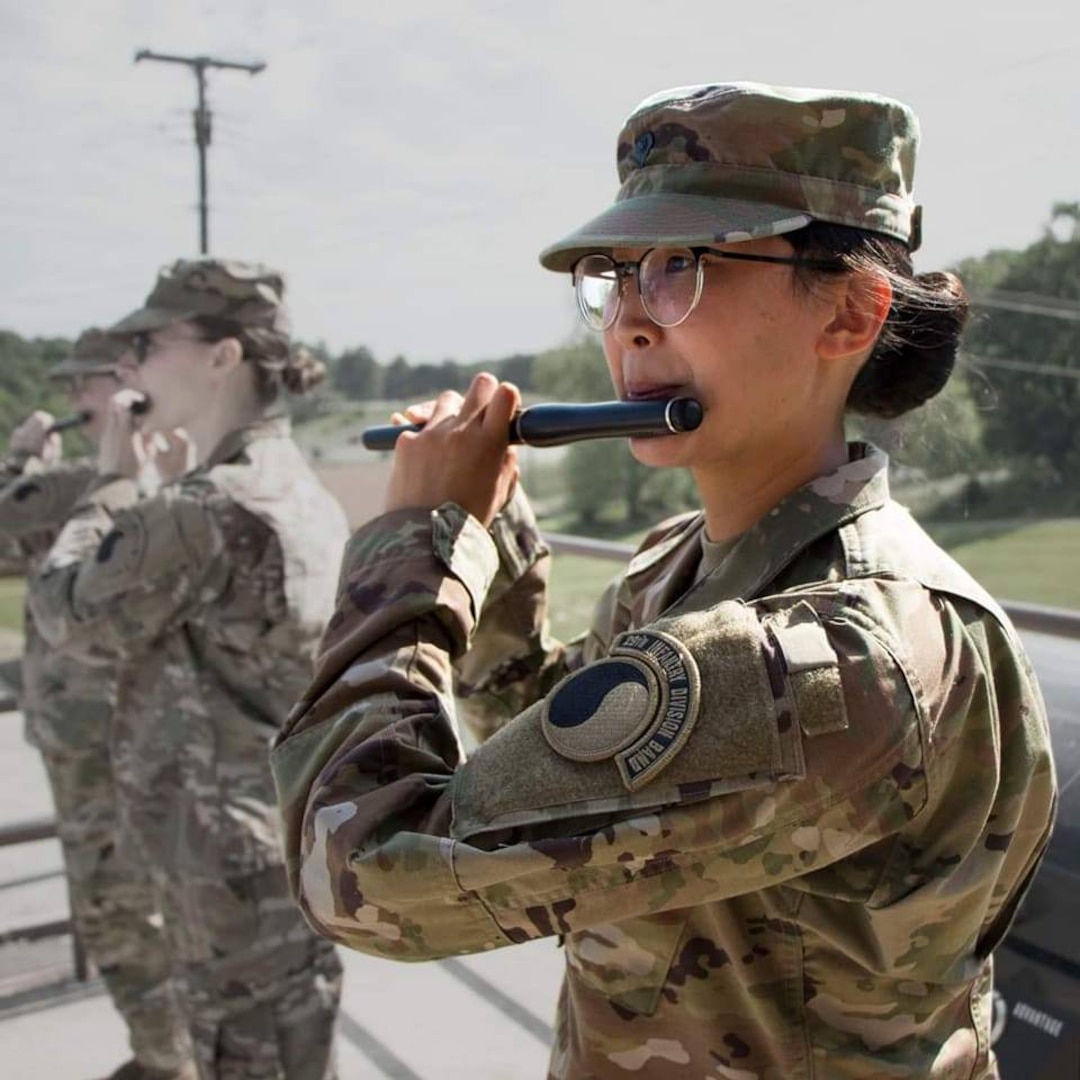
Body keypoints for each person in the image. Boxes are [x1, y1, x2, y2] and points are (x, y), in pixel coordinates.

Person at [271, 84, 1057, 1078]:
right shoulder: (676, 562)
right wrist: (496, 535)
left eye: (684, 267)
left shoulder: (835, 651)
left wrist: (412, 547)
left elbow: (366, 869)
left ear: (851, 313)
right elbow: (550, 758)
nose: (630, 323)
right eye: (619, 275)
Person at [27, 261, 348, 1080]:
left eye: (145, 342)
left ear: (222, 357)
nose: (126, 364)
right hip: (276, 861)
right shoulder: (295, 489)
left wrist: (111, 481)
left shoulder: (201, 512)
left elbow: (65, 611)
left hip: (224, 886)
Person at [0, 329, 195, 1080]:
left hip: (93, 737)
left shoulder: (85, 483)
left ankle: (166, 1059)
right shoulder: (167, 471)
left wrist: (22, 460)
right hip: (144, 728)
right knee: (153, 900)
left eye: (79, 388)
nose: (70, 402)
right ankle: (169, 1049)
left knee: (116, 909)